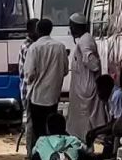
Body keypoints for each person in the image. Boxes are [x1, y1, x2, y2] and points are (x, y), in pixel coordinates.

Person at [21, 17, 68, 148]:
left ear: (37, 30)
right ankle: (53, 151)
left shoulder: (34, 48)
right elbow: (65, 70)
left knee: (39, 129)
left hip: (37, 96)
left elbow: (29, 74)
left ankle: (41, 154)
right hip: (53, 95)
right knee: (52, 127)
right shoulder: (60, 47)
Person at [66, 13, 103, 140]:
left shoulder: (85, 40)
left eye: (71, 26)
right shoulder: (83, 39)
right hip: (83, 87)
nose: (70, 29)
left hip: (86, 88)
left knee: (86, 119)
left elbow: (93, 63)